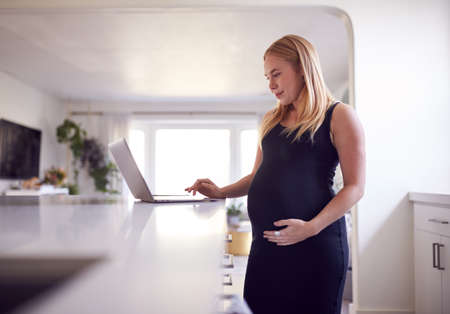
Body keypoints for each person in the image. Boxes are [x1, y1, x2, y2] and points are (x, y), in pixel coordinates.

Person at [185, 34, 365, 314]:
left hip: (315, 246)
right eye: (267, 76)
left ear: (303, 70)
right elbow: (257, 175)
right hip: (265, 248)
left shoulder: (339, 115)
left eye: (277, 74)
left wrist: (310, 228)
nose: (270, 85)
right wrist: (221, 191)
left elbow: (355, 187)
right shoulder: (271, 119)